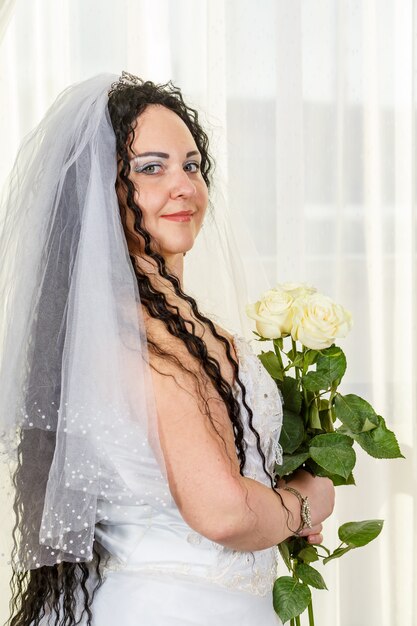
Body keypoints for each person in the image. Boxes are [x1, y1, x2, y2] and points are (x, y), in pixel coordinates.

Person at [0, 72, 335, 626]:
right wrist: (306, 502)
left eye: (191, 165)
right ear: (99, 190)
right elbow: (224, 512)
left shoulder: (199, 332)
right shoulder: (130, 342)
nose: (184, 185)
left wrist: (274, 509)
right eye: (149, 167)